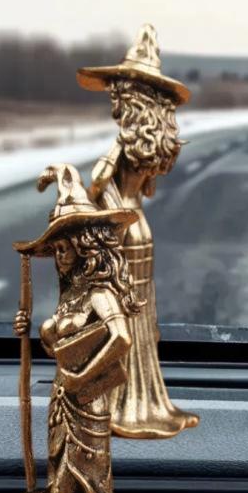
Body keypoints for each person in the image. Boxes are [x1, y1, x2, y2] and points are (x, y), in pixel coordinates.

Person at [14, 164, 176, 493]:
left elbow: (121, 337)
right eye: (56, 250)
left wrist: (83, 375)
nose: (59, 257)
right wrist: (32, 330)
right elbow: (59, 344)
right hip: (62, 404)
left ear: (87, 247)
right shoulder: (74, 294)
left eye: (66, 248)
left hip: (88, 407)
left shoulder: (101, 292)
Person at [76, 24, 199, 439]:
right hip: (135, 227)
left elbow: (100, 186)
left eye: (122, 95)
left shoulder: (126, 143)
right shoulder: (145, 142)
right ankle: (134, 403)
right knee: (135, 319)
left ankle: (139, 404)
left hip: (127, 230)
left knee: (135, 319)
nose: (116, 102)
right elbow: (139, 189)